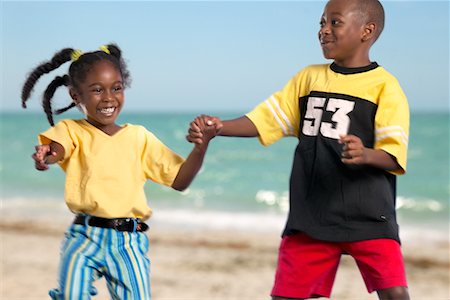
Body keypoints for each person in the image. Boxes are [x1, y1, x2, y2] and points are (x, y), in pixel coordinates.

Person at [188, 0, 410, 299]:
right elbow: (267, 119)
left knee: (395, 293)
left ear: (366, 31)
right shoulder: (308, 78)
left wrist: (366, 154)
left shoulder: (385, 86)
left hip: (369, 216)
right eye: (321, 23)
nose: (324, 31)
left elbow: (392, 153)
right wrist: (219, 127)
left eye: (335, 22)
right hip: (312, 215)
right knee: (286, 296)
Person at [21, 43, 215, 299]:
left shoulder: (139, 137)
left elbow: (180, 180)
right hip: (84, 237)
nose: (109, 98)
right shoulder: (71, 130)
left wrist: (200, 148)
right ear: (75, 96)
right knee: (71, 295)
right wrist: (46, 154)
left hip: (128, 242)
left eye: (117, 88)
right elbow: (57, 149)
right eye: (97, 90)